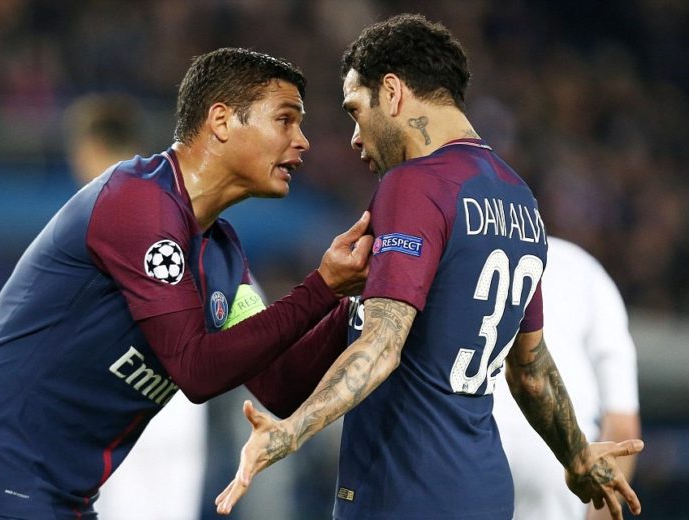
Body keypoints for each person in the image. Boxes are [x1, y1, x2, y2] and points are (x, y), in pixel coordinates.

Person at [215, 14, 644, 520]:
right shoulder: (519, 198)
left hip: (405, 491)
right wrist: (575, 456)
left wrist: (291, 431)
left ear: (392, 93)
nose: (355, 137)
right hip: (483, 491)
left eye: (356, 111)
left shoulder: (415, 184)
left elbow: (382, 346)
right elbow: (531, 370)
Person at [0, 47, 374, 519]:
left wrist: (351, 298)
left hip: (54, 497)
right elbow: (196, 370)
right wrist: (322, 287)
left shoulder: (221, 256)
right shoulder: (137, 201)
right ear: (221, 121)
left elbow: (280, 383)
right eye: (285, 120)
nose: (302, 141)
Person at [63, 92, 207, 520]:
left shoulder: (94, 210)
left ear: (88, 148)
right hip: (176, 403)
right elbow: (237, 294)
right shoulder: (181, 204)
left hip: (114, 399)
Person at [492, 236, 641, 520]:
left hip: (476, 435)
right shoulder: (588, 271)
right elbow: (622, 423)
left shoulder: (470, 245)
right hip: (560, 451)